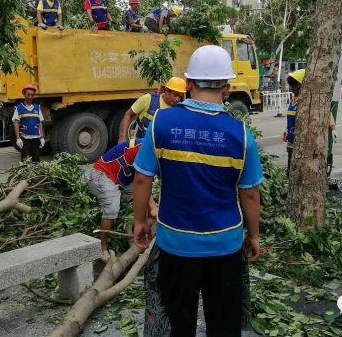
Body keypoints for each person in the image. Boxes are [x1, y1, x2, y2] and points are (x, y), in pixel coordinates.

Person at [132, 45, 263, 337]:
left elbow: (141, 179)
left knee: (178, 321)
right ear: (226, 88)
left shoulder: (161, 124)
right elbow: (250, 195)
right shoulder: (240, 135)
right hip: (225, 245)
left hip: (175, 243)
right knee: (224, 324)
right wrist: (253, 236)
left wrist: (140, 220)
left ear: (188, 84)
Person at [87, 138, 158, 261]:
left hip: (124, 178)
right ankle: (102, 248)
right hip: (102, 174)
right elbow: (142, 182)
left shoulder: (154, 147)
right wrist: (153, 207)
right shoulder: (143, 150)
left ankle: (143, 234)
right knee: (112, 209)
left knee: (143, 200)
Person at [282, 69, 337, 173]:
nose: (291, 89)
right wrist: (285, 129)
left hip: (303, 143)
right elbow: (291, 116)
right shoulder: (294, 99)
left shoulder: (310, 100)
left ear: (300, 86)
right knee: (291, 169)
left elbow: (327, 113)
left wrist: (333, 128)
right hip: (291, 142)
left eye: (293, 86)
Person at [118, 77, 186, 143]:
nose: (177, 99)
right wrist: (122, 136)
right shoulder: (148, 99)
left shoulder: (178, 109)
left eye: (180, 97)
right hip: (138, 144)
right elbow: (128, 114)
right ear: (167, 91)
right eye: (175, 95)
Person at [13, 84, 45, 162]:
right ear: (24, 94)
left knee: (36, 160)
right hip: (25, 138)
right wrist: (18, 139)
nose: (30, 97)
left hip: (36, 138)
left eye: (32, 95)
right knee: (26, 160)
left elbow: (39, 123)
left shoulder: (37, 107)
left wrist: (42, 137)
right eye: (28, 95)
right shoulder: (19, 108)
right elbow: (16, 123)